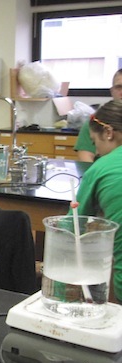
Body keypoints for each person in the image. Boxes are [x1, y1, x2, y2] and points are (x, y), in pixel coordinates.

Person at [73, 99, 122, 302]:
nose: (97, 152)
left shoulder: (101, 168)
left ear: (108, 133)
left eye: (95, 142)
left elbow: (74, 227)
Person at [74, 68, 122, 162]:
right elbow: (85, 158)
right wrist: (95, 174)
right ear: (112, 91)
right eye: (119, 87)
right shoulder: (96, 121)